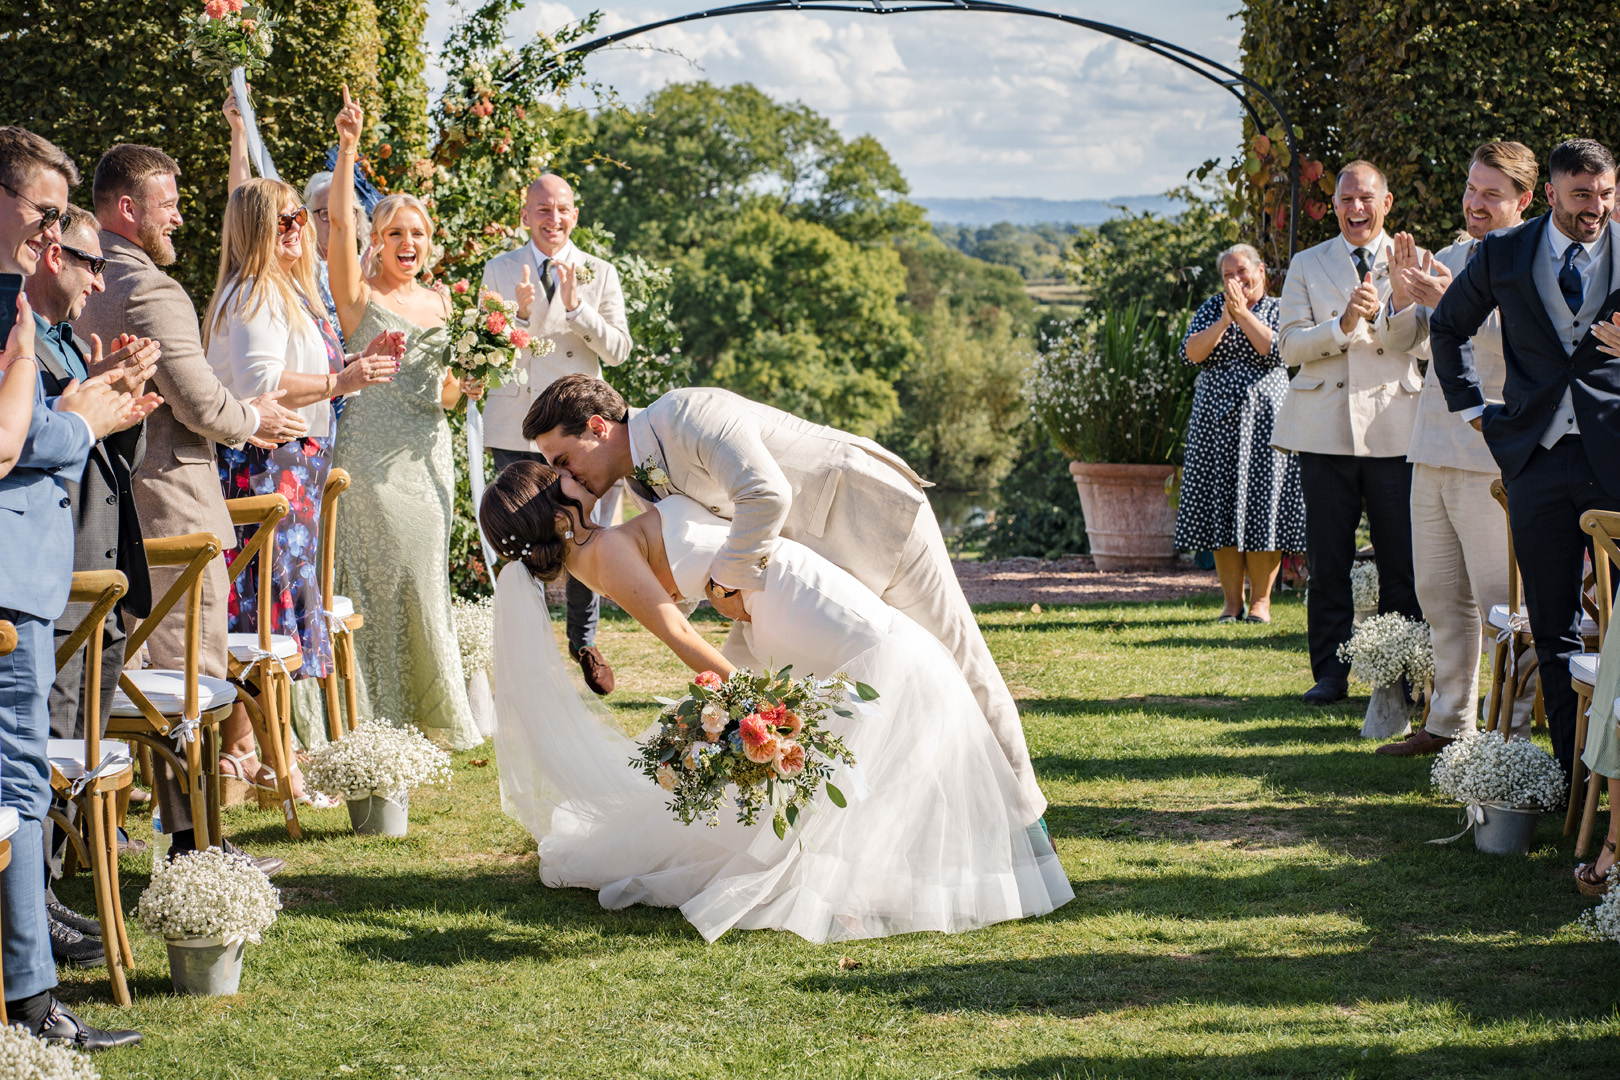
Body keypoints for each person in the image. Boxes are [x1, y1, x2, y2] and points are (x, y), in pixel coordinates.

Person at [480, 461, 1073, 941]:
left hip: (781, 594)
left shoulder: (599, 545)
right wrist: (750, 703)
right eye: (554, 474)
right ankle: (853, 881)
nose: (568, 471)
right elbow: (680, 636)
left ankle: (862, 872)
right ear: (549, 509)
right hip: (789, 597)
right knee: (893, 673)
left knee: (885, 690)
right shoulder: (602, 556)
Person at [525, 375, 1048, 826]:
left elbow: (766, 493)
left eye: (564, 461)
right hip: (805, 578)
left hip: (874, 522)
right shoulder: (642, 481)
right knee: (767, 700)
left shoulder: (687, 414)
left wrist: (727, 584)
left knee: (962, 666)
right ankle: (820, 837)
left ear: (597, 426)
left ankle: (1027, 820)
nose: (564, 478)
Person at [75, 143, 302, 871]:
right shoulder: (150, 289)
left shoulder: (78, 274)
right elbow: (200, 401)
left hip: (103, 507)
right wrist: (254, 418)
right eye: (168, 202)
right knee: (187, 681)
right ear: (129, 208)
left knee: (136, 681)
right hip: (170, 500)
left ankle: (153, 836)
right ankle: (197, 847)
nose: (181, 215)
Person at [0, 124, 146, 1051]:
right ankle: (31, 997)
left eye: (63, 218)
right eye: (45, 213)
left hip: (32, 579)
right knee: (15, 779)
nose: (56, 237)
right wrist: (79, 421)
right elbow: (8, 443)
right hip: (9, 585)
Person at [1432, 138, 1620, 780]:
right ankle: (1574, 777)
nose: (1594, 208)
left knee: (1619, 634)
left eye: (1604, 195)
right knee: (1554, 626)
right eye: (1581, 196)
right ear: (1551, 195)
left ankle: (1615, 777)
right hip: (1534, 463)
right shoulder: (1506, 253)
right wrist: (1478, 414)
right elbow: (1448, 327)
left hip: (1614, 463)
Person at [202, 178, 398, 785]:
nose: (296, 228)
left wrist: (352, 366)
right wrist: (344, 382)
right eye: (283, 221)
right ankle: (254, 753)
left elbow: (301, 372)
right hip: (269, 463)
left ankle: (259, 749)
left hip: (294, 461)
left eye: (298, 219)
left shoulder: (284, 289)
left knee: (270, 605)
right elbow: (266, 381)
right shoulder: (257, 290)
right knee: (262, 608)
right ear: (255, 231)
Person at [23, 205, 162, 963]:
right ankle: (35, 906)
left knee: (77, 742)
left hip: (106, 565)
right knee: (46, 743)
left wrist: (125, 404)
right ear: (52, 257)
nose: (100, 279)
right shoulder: (22, 343)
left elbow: (108, 454)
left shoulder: (74, 343)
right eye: (89, 262)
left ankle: (50, 896)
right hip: (63, 570)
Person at [1372, 141, 1541, 756]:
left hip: (1492, 455)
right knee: (1439, 596)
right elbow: (1404, 343)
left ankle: (1508, 738)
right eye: (1471, 188)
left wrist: (1452, 304)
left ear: (1523, 200)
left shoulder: (1532, 262)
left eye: (1490, 194)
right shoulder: (1449, 254)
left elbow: (1531, 349)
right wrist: (1398, 294)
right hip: (1432, 445)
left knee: (1502, 604)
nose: (1474, 202)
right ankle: (1448, 724)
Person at [325, 86, 480, 749]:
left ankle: (425, 717)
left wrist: (469, 385)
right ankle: (369, 719)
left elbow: (440, 396)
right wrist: (348, 149)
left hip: (428, 456)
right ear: (378, 241)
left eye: (417, 233)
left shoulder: (445, 304)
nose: (408, 242)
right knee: (378, 581)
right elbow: (336, 223)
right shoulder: (357, 300)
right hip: (370, 459)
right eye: (395, 233)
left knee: (423, 579)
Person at [1275, 160, 1425, 704]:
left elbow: (1430, 347)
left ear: (1386, 203)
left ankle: (1406, 670)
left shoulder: (1415, 261)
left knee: (1402, 561)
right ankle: (1331, 673)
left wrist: (1398, 307)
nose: (1355, 209)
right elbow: (1288, 345)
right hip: (1324, 431)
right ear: (1335, 205)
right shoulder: (1307, 263)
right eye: (1345, 199)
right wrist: (1341, 325)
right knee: (1329, 558)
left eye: (1366, 199)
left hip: (1395, 429)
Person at [480, 174, 632, 695]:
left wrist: (576, 309)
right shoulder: (499, 269)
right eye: (542, 210)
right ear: (526, 215)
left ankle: (583, 642)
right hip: (516, 424)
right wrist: (518, 317)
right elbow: (482, 353)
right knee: (519, 537)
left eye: (562, 208)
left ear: (575, 213)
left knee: (584, 532)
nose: (554, 218)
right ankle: (527, 651)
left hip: (577, 431)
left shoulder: (600, 272)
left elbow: (617, 351)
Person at [1173, 243, 1304, 623]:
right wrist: (1226, 319)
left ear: (1261, 271)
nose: (1235, 280)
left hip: (1266, 420)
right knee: (1222, 507)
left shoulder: (1280, 308)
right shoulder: (1212, 308)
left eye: (1241, 271)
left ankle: (1261, 602)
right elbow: (1191, 354)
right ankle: (1231, 604)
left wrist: (1243, 314)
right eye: (1228, 274)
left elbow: (1277, 352)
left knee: (1264, 506)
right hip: (1214, 423)